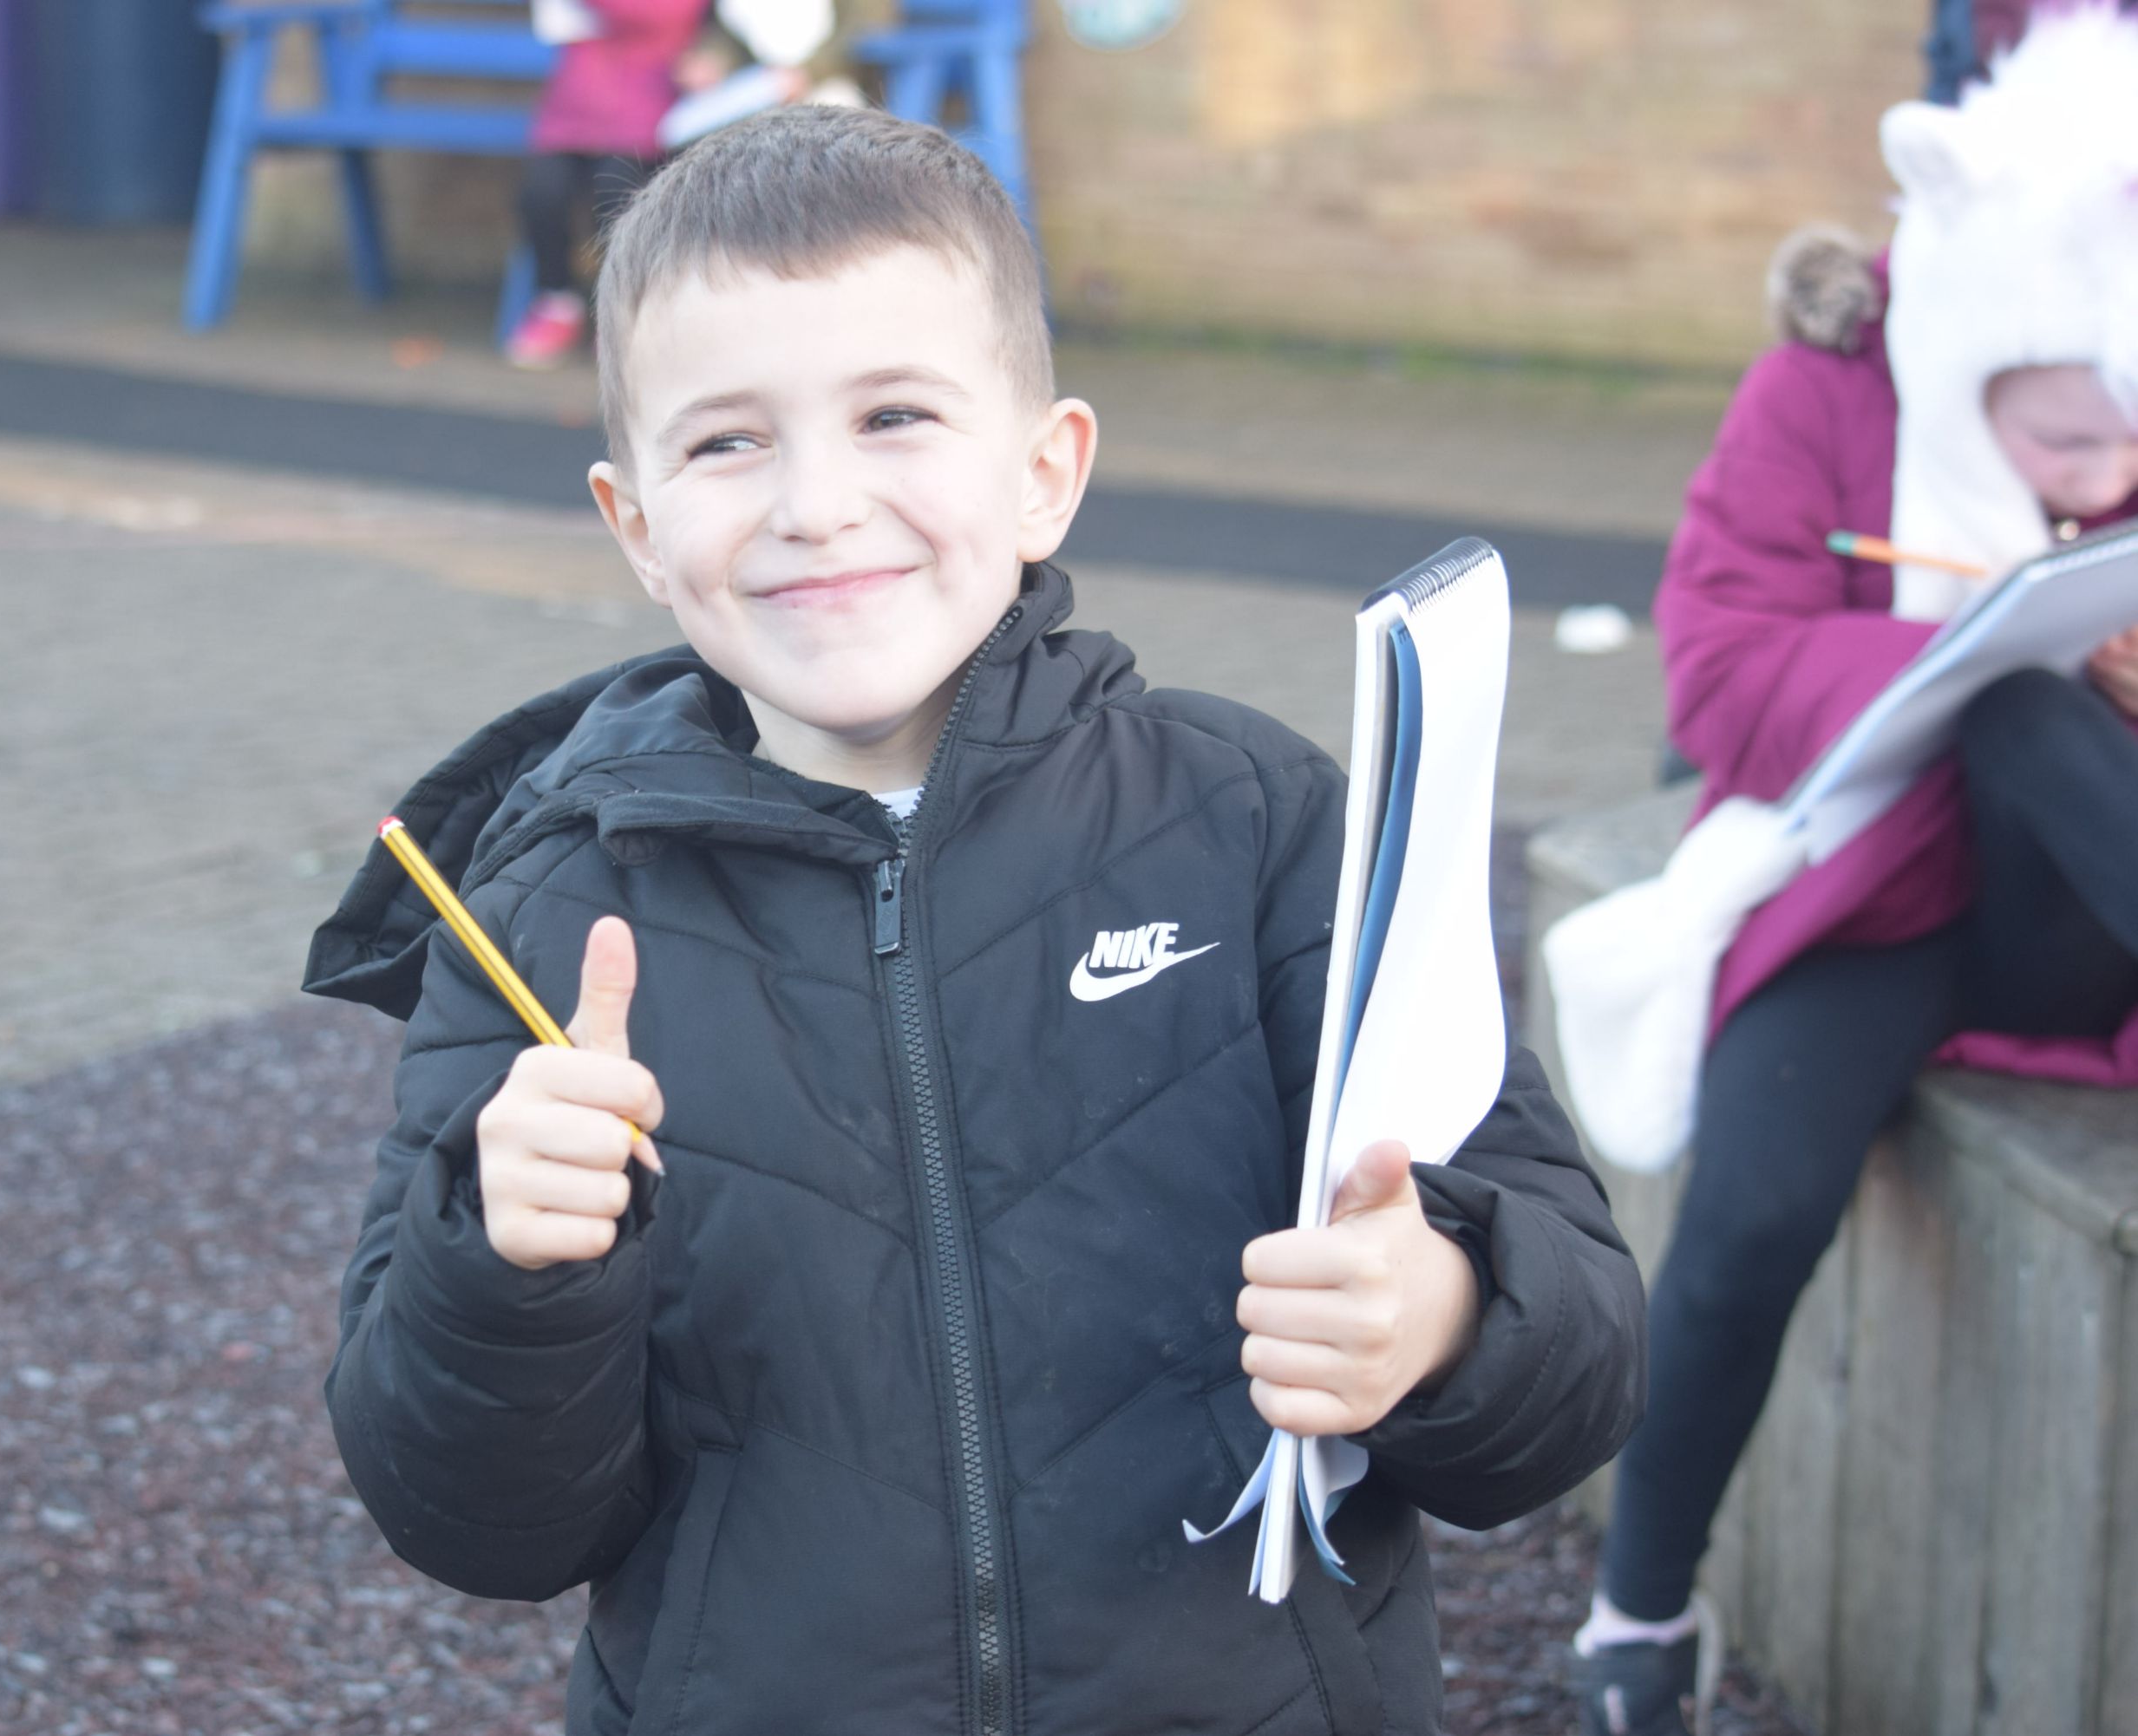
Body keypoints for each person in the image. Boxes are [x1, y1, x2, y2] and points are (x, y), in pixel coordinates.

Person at [310, 105, 1644, 1736]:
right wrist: (508, 1260)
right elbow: (475, 1522)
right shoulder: (540, 913)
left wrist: (1444, 1314)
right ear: (638, 523)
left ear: (1044, 473)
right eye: (726, 443)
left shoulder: (1258, 823)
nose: (817, 504)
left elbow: (1580, 1363)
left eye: (894, 416)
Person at [1574, 13, 2138, 1735]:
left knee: (2040, 716)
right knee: (1747, 1212)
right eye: (2064, 447)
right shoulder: (1823, 390)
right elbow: (1716, 675)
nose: (2106, 480)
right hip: (1870, 884)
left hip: (2085, 897)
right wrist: (1956, 647)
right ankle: (1638, 1616)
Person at [504, 0, 709, 369]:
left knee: (617, 195)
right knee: (541, 193)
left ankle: (618, 312)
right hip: (575, 108)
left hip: (647, 110)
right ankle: (556, 301)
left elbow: (668, 14)